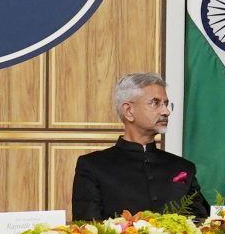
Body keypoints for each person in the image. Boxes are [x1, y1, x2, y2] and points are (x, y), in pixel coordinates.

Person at [71, 72, 207, 221]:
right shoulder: (93, 166)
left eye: (166, 104)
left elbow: (202, 224)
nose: (166, 111)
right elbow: (87, 228)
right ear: (129, 111)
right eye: (155, 103)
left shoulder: (183, 167)